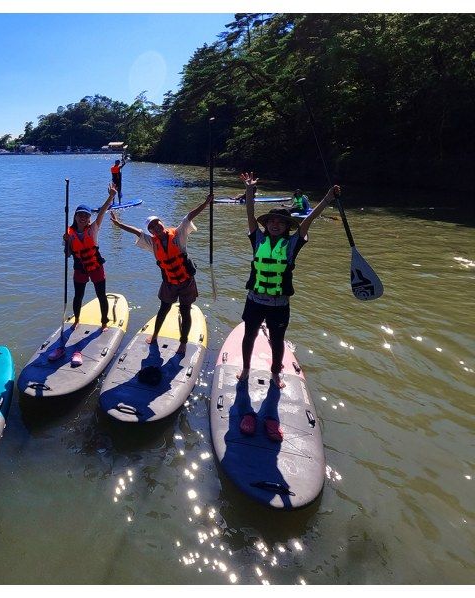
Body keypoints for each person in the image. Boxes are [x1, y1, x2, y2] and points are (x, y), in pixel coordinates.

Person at [236, 172, 339, 441]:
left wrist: (327, 199)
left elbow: (309, 221)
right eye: (271, 222)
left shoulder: (292, 244)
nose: (275, 225)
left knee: (278, 341)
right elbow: (249, 215)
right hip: (255, 300)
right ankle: (246, 369)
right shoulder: (257, 239)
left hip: (279, 304)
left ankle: (274, 374)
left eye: (280, 223)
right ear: (267, 224)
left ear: (286, 227)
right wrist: (249, 193)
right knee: (248, 336)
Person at [109, 191, 214, 355]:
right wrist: (119, 225)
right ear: (151, 232)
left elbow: (189, 217)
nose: (157, 228)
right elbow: (137, 232)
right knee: (163, 309)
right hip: (170, 283)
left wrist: (205, 204)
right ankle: (155, 334)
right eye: (153, 227)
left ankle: (183, 343)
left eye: (158, 224)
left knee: (185, 311)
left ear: (162, 224)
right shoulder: (152, 242)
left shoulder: (178, 234)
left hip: (186, 281)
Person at [64, 185, 116, 336]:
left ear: (89, 219)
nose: (83, 217)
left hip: (96, 267)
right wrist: (66, 242)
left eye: (86, 216)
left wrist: (111, 196)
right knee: (78, 296)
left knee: (101, 295)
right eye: (80, 215)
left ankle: (104, 322)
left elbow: (102, 212)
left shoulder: (93, 229)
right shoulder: (69, 233)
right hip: (80, 267)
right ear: (75, 216)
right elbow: (67, 254)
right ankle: (76, 320)